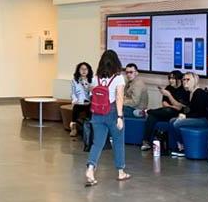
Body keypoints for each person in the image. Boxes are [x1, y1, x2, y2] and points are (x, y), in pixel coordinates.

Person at [84, 50, 130, 186]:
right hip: (112, 112)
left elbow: (91, 92)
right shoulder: (118, 78)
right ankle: (121, 171)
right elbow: (119, 98)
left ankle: (91, 168)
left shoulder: (96, 78)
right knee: (118, 141)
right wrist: (120, 116)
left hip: (97, 113)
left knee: (97, 143)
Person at [163, 73, 208, 157]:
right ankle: (178, 145)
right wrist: (183, 115)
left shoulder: (199, 93)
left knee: (177, 123)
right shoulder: (190, 93)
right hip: (198, 117)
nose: (185, 82)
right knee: (172, 120)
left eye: (188, 79)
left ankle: (183, 147)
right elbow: (191, 110)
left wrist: (186, 117)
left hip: (206, 120)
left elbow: (200, 113)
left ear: (195, 80)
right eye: (184, 80)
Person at [140, 70, 189, 151]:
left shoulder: (184, 90)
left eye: (173, 79)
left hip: (179, 114)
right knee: (152, 117)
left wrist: (169, 95)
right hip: (167, 111)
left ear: (179, 79)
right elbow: (164, 103)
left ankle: (147, 111)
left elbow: (179, 108)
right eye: (170, 78)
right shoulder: (168, 88)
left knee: (168, 111)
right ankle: (146, 142)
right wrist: (172, 106)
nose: (170, 80)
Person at [69, 61, 93, 137]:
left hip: (89, 102)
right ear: (78, 70)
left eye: (86, 69)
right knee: (75, 109)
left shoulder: (92, 80)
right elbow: (73, 93)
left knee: (90, 110)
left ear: (88, 71)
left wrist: (90, 90)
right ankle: (73, 128)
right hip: (79, 102)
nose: (84, 71)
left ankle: (89, 129)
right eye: (82, 69)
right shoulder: (74, 81)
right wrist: (74, 100)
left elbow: (93, 93)